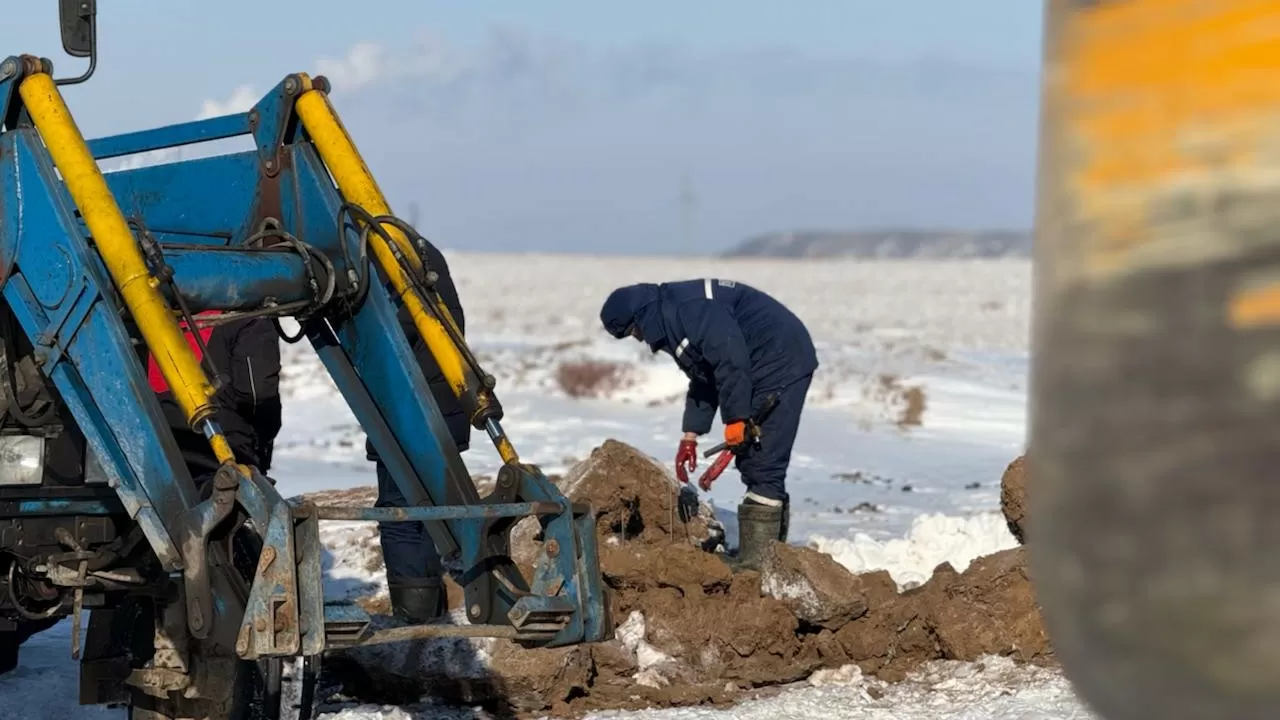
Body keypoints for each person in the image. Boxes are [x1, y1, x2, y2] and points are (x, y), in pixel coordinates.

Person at [599, 278, 818, 570]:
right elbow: (706, 376)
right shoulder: (673, 317)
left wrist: (736, 420)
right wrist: (690, 434)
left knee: (762, 459)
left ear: (642, 315)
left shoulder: (689, 310)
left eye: (634, 331)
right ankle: (768, 556)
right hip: (761, 361)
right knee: (754, 458)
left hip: (780, 357)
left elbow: (730, 361)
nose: (640, 339)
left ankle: (757, 565)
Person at [365, 239, 471, 625]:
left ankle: (416, 619)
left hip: (407, 410)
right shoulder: (421, 256)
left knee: (402, 516)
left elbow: (378, 334)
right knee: (433, 509)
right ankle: (445, 604)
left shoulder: (381, 262)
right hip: (445, 405)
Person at [148, 311, 283, 485]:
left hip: (153, 457)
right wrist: (262, 440)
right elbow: (258, 396)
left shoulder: (140, 313)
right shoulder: (249, 317)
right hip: (225, 456)